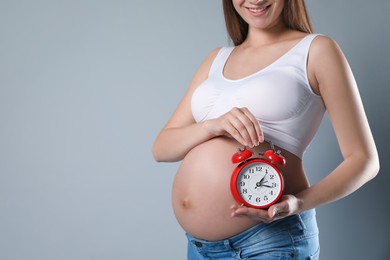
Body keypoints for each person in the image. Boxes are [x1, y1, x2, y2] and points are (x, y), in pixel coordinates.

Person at [152, 0, 380, 259]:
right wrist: (212, 126)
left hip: (270, 242)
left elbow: (364, 161)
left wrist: (299, 203)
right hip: (200, 248)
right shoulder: (216, 59)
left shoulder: (315, 50)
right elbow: (162, 148)